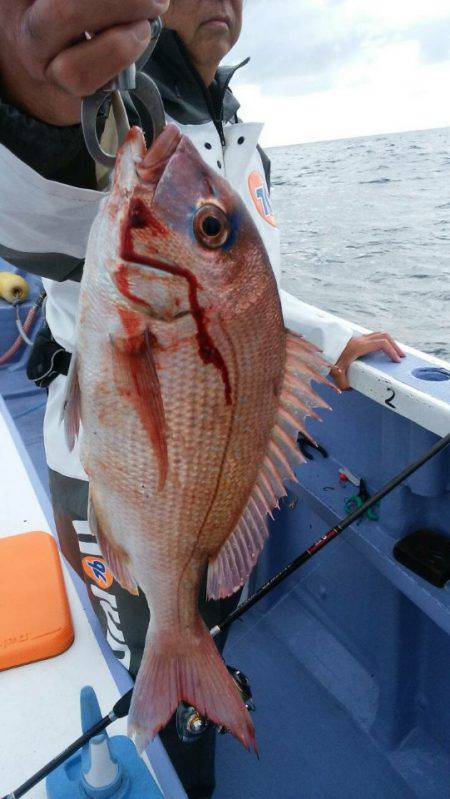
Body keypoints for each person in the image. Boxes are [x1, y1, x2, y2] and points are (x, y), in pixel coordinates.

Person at [0, 1, 405, 796]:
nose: (220, 0)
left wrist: (328, 343)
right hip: (100, 458)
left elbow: (250, 298)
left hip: (202, 457)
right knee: (129, 642)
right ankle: (150, 737)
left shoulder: (240, 131)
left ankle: (184, 717)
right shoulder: (117, 97)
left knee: (190, 621)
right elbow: (45, 207)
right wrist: (30, 109)